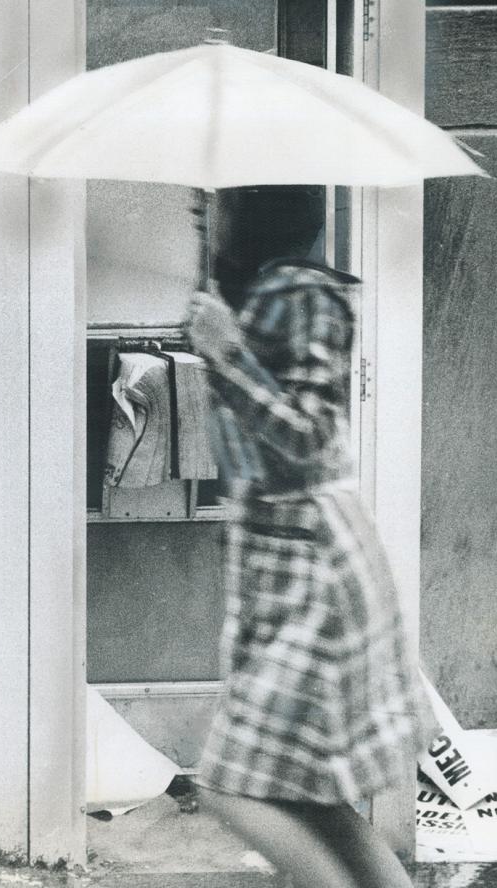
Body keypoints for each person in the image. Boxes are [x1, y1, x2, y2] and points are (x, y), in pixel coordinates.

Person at [184, 186, 424, 888]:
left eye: (218, 199)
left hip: (310, 570)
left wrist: (227, 357)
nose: (202, 208)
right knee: (300, 790)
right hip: (291, 563)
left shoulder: (301, 293)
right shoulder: (262, 292)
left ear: (259, 209)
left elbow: (311, 438)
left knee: (232, 785)